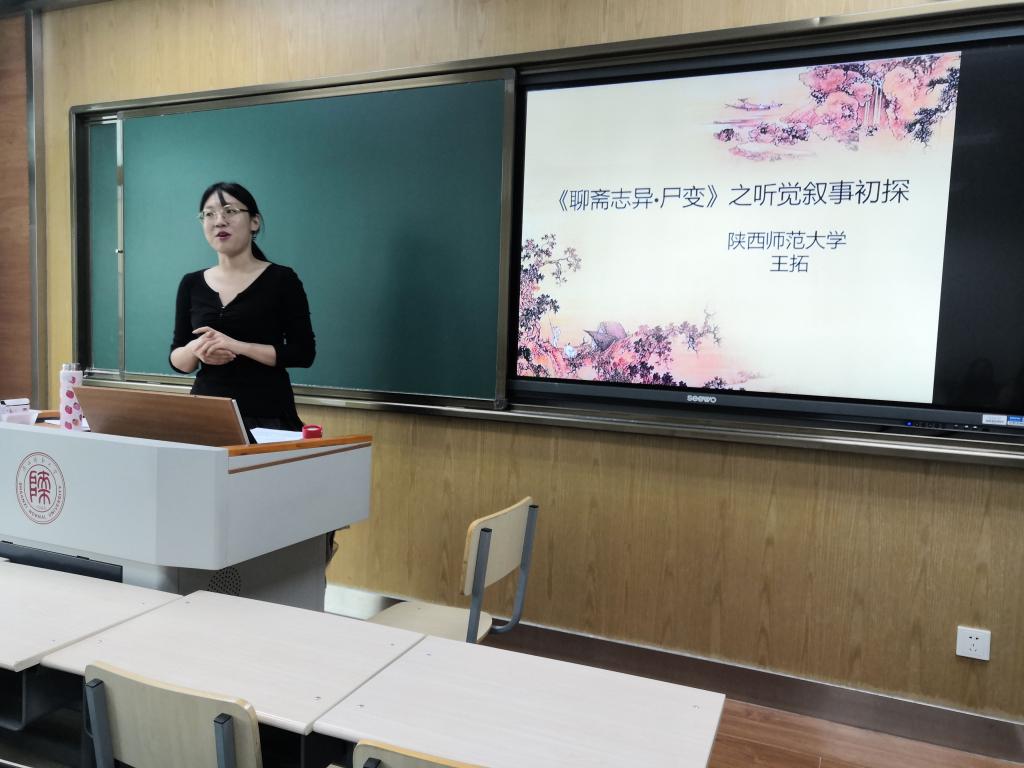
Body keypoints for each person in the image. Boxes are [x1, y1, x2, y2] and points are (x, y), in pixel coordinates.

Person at [169, 182, 315, 435]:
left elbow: (303, 353)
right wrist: (196, 348)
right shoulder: (191, 283)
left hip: (267, 416)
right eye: (209, 214)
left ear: (254, 222)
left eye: (230, 211)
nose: (219, 221)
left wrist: (237, 346)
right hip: (206, 414)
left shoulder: (282, 280)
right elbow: (178, 360)